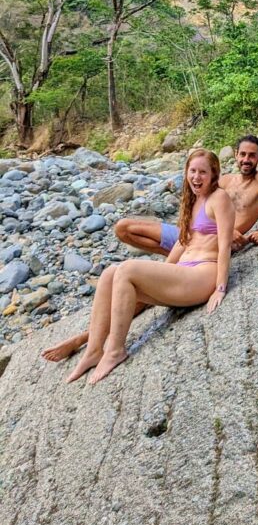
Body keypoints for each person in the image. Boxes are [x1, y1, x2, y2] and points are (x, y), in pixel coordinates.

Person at [42, 134, 258, 364]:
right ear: (235, 155)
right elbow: (198, 195)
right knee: (124, 228)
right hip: (189, 239)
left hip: (209, 251)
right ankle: (169, 264)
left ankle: (82, 339)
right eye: (242, 154)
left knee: (140, 296)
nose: (247, 159)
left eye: (252, 155)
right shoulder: (223, 179)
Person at [64, 149, 235, 385]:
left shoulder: (220, 198)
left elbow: (225, 244)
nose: (196, 177)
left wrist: (221, 287)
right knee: (109, 274)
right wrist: (162, 273)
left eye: (203, 172)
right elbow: (182, 241)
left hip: (203, 273)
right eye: (192, 171)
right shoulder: (194, 200)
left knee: (126, 269)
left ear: (214, 174)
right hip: (184, 273)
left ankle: (115, 350)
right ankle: (94, 350)